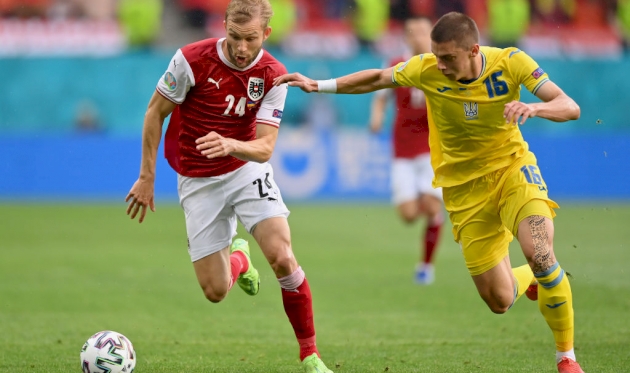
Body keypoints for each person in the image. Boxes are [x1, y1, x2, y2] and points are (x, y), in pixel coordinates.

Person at [275, 11, 584, 373]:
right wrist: (319, 84)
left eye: (448, 57)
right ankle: (528, 277)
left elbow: (570, 106)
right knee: (500, 300)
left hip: (513, 173)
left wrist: (534, 107)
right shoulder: (427, 69)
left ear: (472, 50)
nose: (440, 64)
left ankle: (566, 357)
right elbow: (377, 78)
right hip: (464, 192)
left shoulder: (511, 62)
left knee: (541, 252)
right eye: (437, 56)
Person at [124, 1, 333, 372]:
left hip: (245, 169)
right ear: (223, 26)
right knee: (216, 291)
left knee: (283, 256)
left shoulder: (273, 75)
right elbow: (154, 112)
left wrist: (232, 144)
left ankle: (310, 354)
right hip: (196, 178)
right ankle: (239, 257)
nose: (241, 48)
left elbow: (265, 147)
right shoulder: (190, 60)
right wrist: (146, 176)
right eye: (234, 37)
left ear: (265, 34)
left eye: (250, 39)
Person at [368, 16, 444, 285]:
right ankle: (435, 213)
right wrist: (377, 117)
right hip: (402, 150)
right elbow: (380, 94)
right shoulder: (396, 65)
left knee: (432, 205)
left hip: (432, 149)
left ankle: (426, 266)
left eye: (423, 32)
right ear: (406, 37)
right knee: (409, 215)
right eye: (413, 32)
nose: (418, 37)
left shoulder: (441, 66)